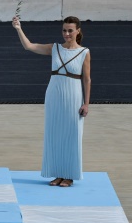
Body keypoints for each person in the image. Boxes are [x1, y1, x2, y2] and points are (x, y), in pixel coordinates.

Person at [12, 15, 92, 187]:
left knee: (72, 135)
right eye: (64, 30)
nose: (67, 34)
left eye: (70, 30)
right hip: (54, 95)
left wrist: (86, 103)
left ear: (78, 31)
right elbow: (29, 46)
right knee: (54, 134)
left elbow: (87, 79)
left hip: (73, 96)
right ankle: (58, 174)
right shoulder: (55, 48)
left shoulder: (84, 52)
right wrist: (19, 28)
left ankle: (69, 175)